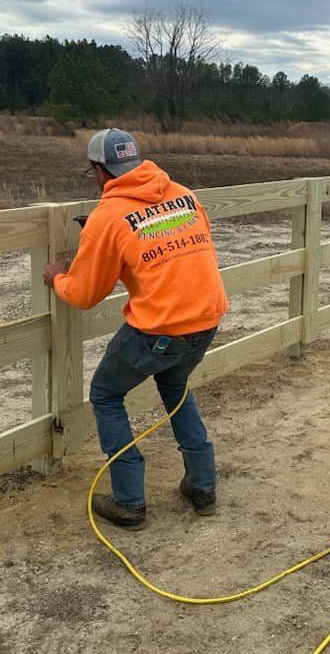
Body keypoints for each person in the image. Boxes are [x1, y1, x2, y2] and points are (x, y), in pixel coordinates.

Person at [43, 128, 228, 530]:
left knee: (106, 395)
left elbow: (85, 293)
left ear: (99, 171)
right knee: (175, 388)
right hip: (207, 319)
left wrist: (57, 277)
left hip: (160, 329)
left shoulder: (108, 217)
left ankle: (129, 501)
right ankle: (203, 487)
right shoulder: (183, 194)